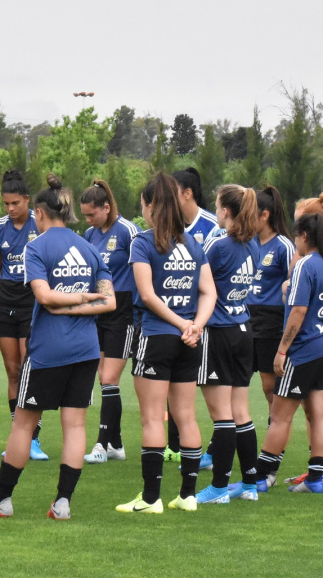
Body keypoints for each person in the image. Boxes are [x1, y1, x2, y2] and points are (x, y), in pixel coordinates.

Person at [0, 174, 113, 521]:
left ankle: (2, 501)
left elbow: (44, 296)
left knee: (22, 425)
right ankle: (62, 504)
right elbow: (109, 302)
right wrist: (83, 302)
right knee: (76, 426)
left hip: (49, 349)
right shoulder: (90, 248)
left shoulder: (36, 247)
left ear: (39, 213)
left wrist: (67, 303)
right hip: (85, 349)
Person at [115, 173, 216, 514]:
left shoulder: (142, 242)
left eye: (143, 204)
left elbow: (147, 294)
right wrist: (195, 326)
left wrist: (181, 323)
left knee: (152, 419)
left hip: (157, 336)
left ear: (151, 205)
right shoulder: (192, 243)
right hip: (189, 341)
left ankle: (150, 499)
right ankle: (188, 495)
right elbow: (209, 292)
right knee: (186, 416)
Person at [194, 184, 260, 504]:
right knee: (240, 412)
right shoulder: (253, 246)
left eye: (218, 206)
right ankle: (249, 484)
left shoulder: (219, 246)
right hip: (243, 329)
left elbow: (197, 280)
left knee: (221, 415)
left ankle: (219, 487)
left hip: (219, 332)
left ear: (225, 211)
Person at [253, 213, 323, 493]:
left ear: (304, 236)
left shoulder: (306, 264)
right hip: (321, 347)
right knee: (317, 414)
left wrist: (282, 350)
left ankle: (260, 476)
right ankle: (317, 478)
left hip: (303, 350)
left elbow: (298, 311)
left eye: (296, 237)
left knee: (281, 415)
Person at [0, 170, 48, 461]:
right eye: (6, 203)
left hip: (33, 302)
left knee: (28, 369)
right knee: (12, 371)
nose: (10, 209)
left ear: (27, 200)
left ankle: (33, 439)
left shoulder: (41, 224)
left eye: (15, 203)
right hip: (5, 301)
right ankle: (17, 435)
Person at [80, 179, 140, 464]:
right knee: (103, 377)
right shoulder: (90, 234)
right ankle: (116, 444)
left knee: (109, 378)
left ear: (106, 207)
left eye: (92, 214)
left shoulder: (128, 231)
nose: (88, 220)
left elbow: (143, 270)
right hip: (98, 311)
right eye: (85, 216)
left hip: (124, 311)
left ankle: (102, 445)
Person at [163, 167, 219, 461]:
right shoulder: (173, 227)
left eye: (172, 193)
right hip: (177, 321)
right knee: (180, 388)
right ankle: (179, 447)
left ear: (186, 193)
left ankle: (211, 449)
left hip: (205, 322)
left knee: (210, 390)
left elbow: (214, 280)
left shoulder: (211, 226)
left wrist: (198, 322)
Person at [247, 188, 295, 420]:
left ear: (264, 215)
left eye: (250, 214)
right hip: (246, 319)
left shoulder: (283, 246)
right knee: (236, 382)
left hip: (271, 322)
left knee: (269, 386)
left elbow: (294, 284)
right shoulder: (248, 243)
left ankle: (274, 430)